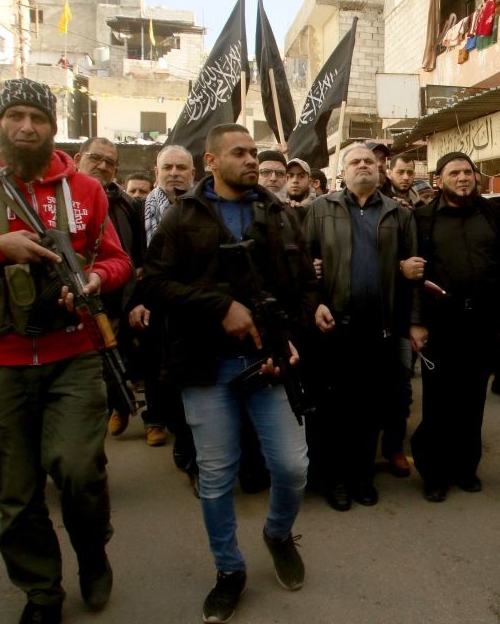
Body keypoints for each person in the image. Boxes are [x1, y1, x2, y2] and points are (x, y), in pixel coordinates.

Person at [0, 78, 132, 624]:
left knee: (79, 470)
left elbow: (119, 260)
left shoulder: (86, 190)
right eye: (15, 116)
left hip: (72, 353)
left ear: (54, 128)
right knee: (18, 491)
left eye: (37, 118)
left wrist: (96, 279)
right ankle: (41, 592)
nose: (25, 127)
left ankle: (93, 550)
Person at [139, 123, 318, 624]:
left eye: (253, 153)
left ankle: (278, 534)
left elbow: (306, 285)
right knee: (216, 478)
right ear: (212, 161)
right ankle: (229, 570)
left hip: (269, 365)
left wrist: (289, 339)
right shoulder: (183, 216)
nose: (251, 160)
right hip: (206, 367)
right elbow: (152, 284)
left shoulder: (279, 213)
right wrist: (219, 307)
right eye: (238, 153)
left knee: (292, 467)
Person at [302, 143, 422, 511]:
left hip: (380, 328)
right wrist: (314, 300)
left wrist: (414, 322)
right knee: (335, 408)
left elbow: (414, 272)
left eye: (369, 161)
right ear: (342, 172)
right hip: (335, 325)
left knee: (371, 408)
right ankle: (335, 479)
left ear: (380, 169)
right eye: (354, 161)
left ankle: (361, 476)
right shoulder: (319, 210)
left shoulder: (398, 214)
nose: (363, 166)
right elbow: (303, 266)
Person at [409, 151, 500, 501]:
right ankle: (434, 474)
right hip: (440, 323)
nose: (463, 178)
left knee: (472, 401)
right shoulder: (422, 218)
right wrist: (416, 323)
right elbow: (413, 276)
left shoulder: (493, 214)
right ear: (440, 180)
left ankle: (466, 468)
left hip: (482, 324)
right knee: (440, 402)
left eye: (468, 172)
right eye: (454, 173)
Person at [73, 138, 153, 444]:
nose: (103, 166)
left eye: (110, 162)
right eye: (96, 159)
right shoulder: (61, 196)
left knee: (116, 361)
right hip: (71, 305)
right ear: (80, 157)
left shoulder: (125, 203)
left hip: (117, 298)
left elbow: (134, 254)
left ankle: (121, 406)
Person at [130, 144, 197, 480]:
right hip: (154, 304)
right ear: (156, 173)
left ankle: (187, 438)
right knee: (159, 369)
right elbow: (133, 263)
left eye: (181, 168)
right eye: (167, 167)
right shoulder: (138, 211)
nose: (174, 173)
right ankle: (161, 421)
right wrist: (138, 300)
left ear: (193, 174)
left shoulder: (203, 210)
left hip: (194, 307)